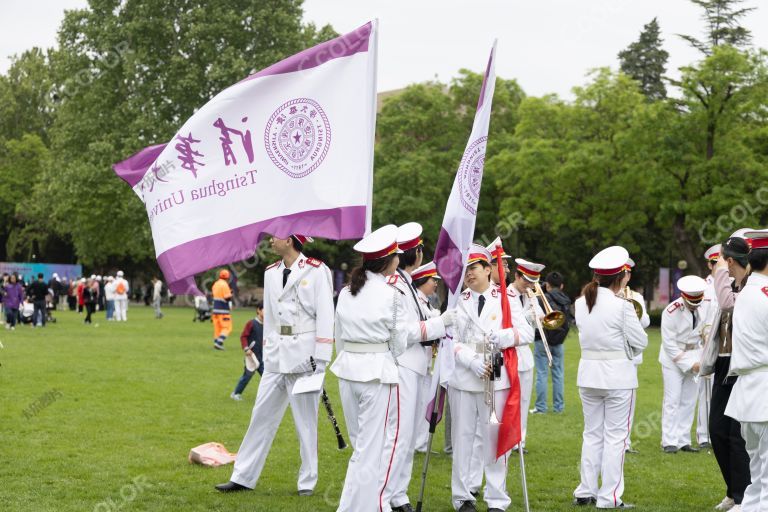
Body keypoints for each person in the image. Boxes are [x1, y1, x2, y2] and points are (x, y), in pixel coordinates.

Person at [215, 234, 335, 497]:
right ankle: (243, 476)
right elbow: (269, 315)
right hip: (276, 356)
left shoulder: (316, 270)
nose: (270, 240)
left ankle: (307, 482)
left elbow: (326, 313)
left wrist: (321, 357)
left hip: (305, 356)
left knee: (305, 423)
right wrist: (267, 348)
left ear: (291, 240)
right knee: (260, 417)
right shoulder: (271, 272)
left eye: (276, 236)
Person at [448, 244, 533, 512]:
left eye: (473, 268)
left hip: (496, 374)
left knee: (494, 438)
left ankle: (497, 498)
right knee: (462, 439)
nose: (469, 274)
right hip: (465, 374)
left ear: (487, 269)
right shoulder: (457, 300)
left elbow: (526, 333)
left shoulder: (506, 299)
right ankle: (462, 497)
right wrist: (470, 361)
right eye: (466, 270)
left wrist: (505, 337)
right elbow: (451, 339)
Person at [381, 223, 450, 512]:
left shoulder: (407, 284)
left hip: (416, 367)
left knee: (407, 437)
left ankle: (398, 494)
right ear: (417, 254)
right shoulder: (397, 286)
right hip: (403, 365)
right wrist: (441, 323)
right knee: (397, 437)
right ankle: (384, 497)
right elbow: (405, 332)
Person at [573, 246, 647, 509]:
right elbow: (642, 341)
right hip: (618, 379)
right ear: (619, 278)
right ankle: (609, 497)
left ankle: (585, 490)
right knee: (615, 438)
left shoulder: (580, 303)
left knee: (592, 434)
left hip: (588, 376)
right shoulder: (622, 306)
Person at [725, 228, 768, 512]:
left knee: (758, 470)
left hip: (750, 390)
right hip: (764, 387)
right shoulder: (763, 293)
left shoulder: (747, 293)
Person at [710, 232, 753, 512]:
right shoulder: (733, 284)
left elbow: (727, 304)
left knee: (737, 436)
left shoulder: (750, 288)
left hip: (743, 366)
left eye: (724, 260)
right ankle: (732, 490)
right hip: (724, 363)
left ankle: (743, 496)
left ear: (731, 260)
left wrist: (720, 273)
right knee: (717, 431)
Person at [659, 275, 711, 453]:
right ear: (683, 296)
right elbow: (669, 344)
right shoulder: (670, 311)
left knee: (689, 400)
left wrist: (702, 360)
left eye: (698, 301)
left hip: (695, 354)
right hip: (673, 358)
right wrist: (690, 365)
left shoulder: (706, 305)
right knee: (672, 400)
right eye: (691, 302)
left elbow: (708, 334)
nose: (695, 305)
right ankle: (669, 441)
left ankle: (683, 440)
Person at [508, 256, 546, 450]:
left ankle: (520, 440)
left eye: (533, 282)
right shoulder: (507, 294)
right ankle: (509, 438)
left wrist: (539, 314)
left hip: (526, 356)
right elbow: (514, 321)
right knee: (510, 400)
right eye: (526, 281)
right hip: (511, 353)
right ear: (517, 276)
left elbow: (541, 316)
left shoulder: (531, 295)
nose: (529, 285)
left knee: (524, 400)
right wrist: (530, 316)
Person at [411, 260, 444, 455]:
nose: (436, 283)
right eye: (433, 279)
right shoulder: (418, 300)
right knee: (420, 403)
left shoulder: (424, 300)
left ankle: (419, 443)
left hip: (424, 360)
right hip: (417, 360)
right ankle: (417, 443)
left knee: (423, 402)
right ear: (423, 280)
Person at [532, 271, 572, 415]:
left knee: (541, 373)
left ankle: (541, 408)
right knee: (558, 374)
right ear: (561, 285)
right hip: (559, 341)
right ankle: (558, 407)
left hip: (542, 340)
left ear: (547, 285)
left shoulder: (541, 298)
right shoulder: (566, 299)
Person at [622, 258, 650, 454]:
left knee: (629, 402)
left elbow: (646, 321)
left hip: (631, 354)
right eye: (623, 273)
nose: (626, 276)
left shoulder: (636, 296)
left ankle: (626, 441)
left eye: (628, 273)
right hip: (614, 352)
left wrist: (634, 313)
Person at [231, 301, 265, 401]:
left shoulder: (268, 325)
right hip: (252, 356)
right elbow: (243, 336)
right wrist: (246, 348)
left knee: (266, 377)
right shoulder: (251, 323)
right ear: (258, 310)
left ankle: (267, 397)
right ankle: (236, 393)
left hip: (263, 356)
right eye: (265, 310)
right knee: (247, 375)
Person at [211, 269, 233, 350]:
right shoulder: (225, 285)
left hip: (215, 310)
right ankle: (219, 343)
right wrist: (231, 294)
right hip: (223, 311)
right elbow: (227, 298)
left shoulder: (215, 284)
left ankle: (216, 342)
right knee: (227, 327)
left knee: (218, 328)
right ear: (228, 277)